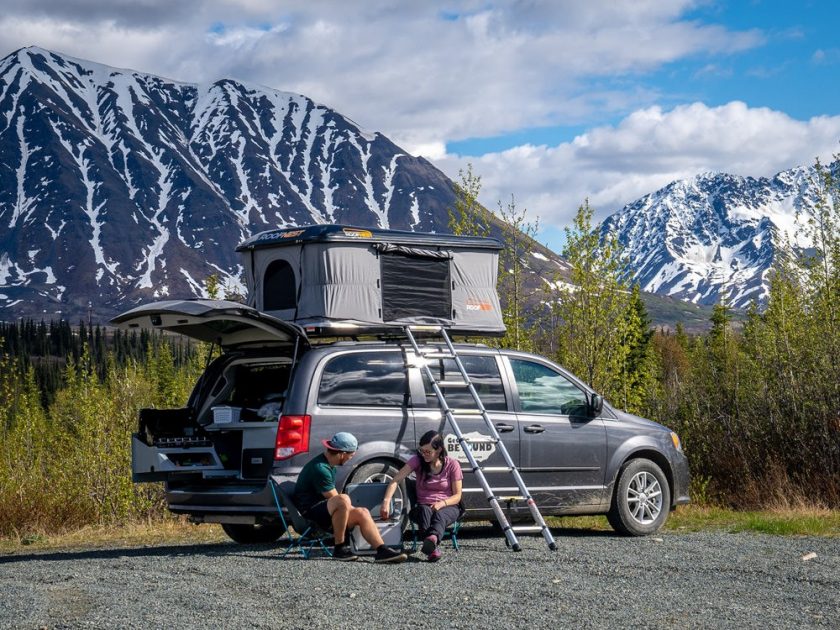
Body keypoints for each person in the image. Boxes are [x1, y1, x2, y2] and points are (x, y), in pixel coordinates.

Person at [294, 431, 407, 563]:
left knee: (362, 512)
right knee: (343, 499)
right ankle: (339, 548)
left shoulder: (329, 464)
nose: (351, 458)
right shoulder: (320, 468)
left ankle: (381, 550)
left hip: (325, 510)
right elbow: (337, 500)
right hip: (310, 515)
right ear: (342, 453)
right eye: (351, 455)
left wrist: (360, 513)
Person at [381, 430, 463, 562]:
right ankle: (432, 546)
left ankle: (432, 540)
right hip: (424, 506)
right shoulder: (418, 461)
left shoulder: (452, 465)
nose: (424, 454)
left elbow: (458, 496)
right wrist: (386, 502)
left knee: (439, 515)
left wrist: (442, 504)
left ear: (439, 450)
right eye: (422, 450)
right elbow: (395, 480)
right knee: (425, 511)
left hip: (449, 505)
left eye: (428, 452)